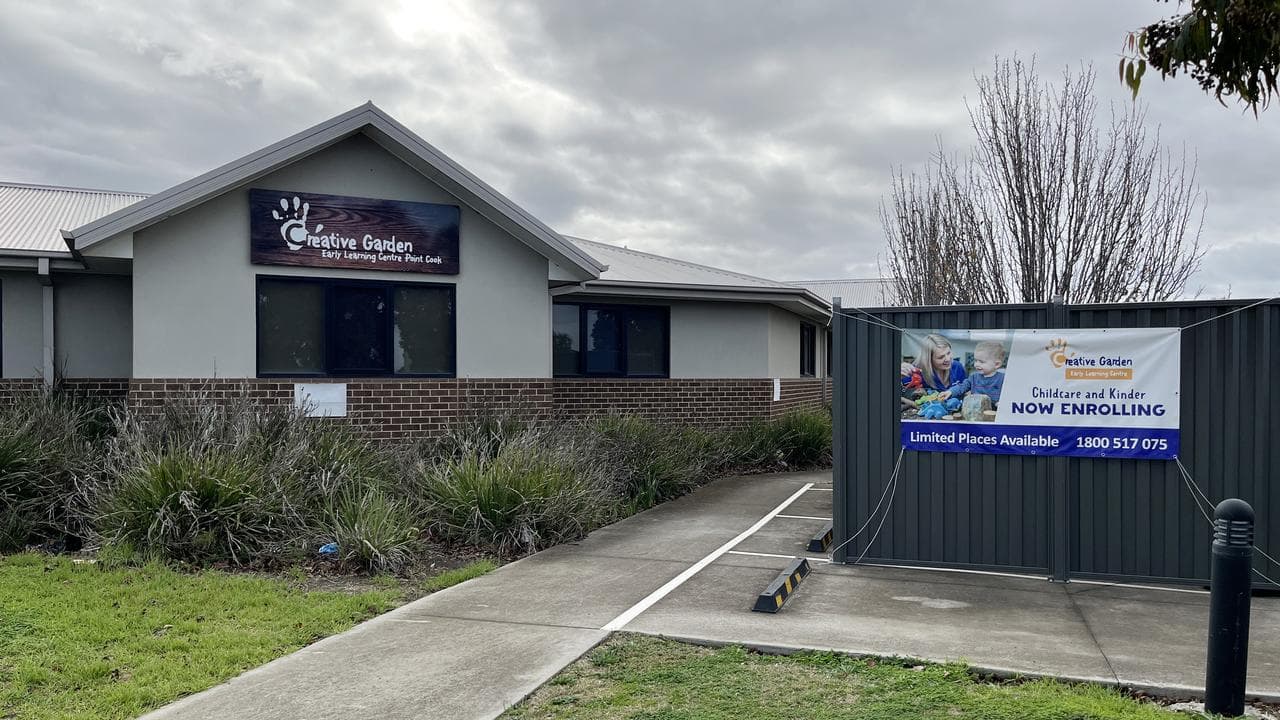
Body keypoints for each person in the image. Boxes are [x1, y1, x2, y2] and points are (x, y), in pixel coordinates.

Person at [940, 340, 1006, 406]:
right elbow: (962, 386)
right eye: (976, 360)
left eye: (981, 362)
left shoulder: (1003, 379)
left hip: (995, 411)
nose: (976, 364)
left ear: (997, 364)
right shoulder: (973, 377)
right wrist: (950, 392)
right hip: (974, 409)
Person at [900, 333, 966, 393]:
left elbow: (965, 390)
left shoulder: (957, 367)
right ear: (929, 359)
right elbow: (900, 394)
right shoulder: (917, 372)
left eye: (948, 353)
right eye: (941, 357)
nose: (948, 359)